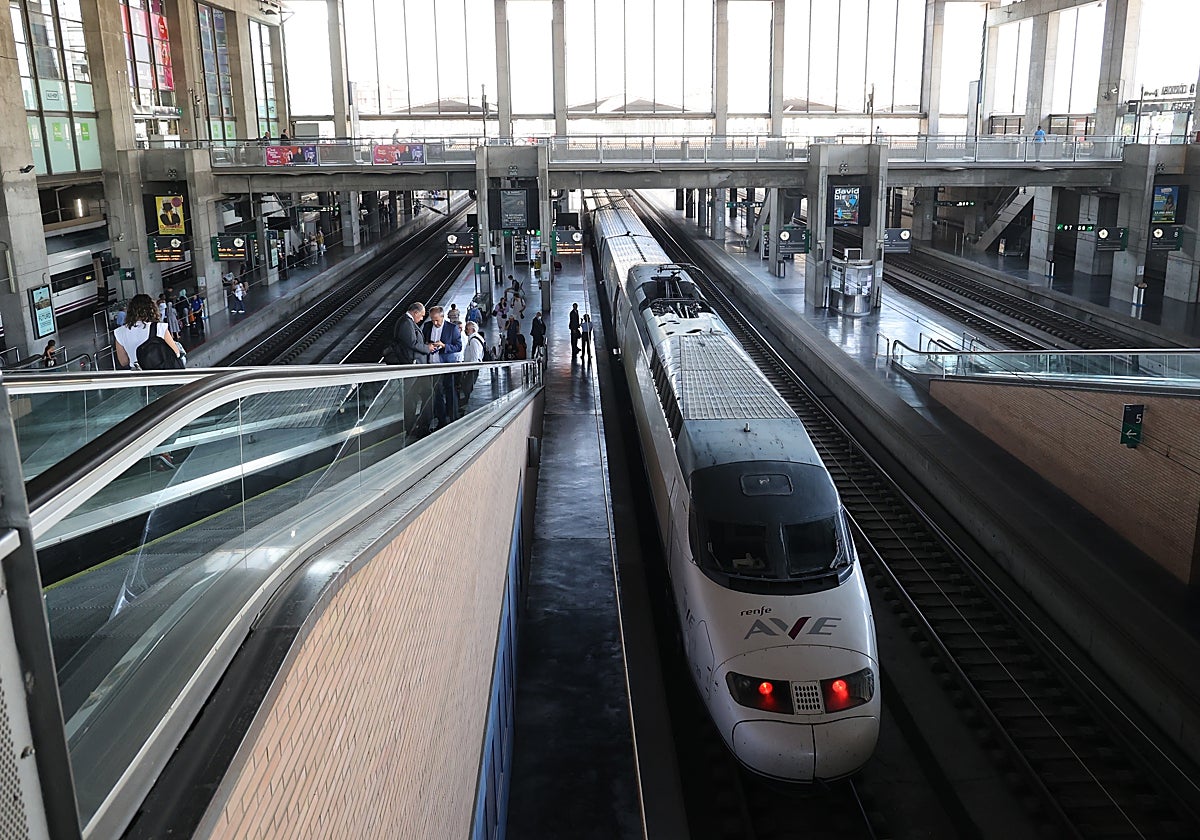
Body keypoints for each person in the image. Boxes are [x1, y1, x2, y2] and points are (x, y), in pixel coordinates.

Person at [389, 302, 436, 435]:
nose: (421, 319)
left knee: (425, 393)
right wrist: (427, 348)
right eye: (421, 316)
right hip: (412, 365)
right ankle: (412, 428)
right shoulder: (406, 322)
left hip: (416, 366)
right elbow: (412, 343)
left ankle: (421, 425)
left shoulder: (408, 322)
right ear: (415, 312)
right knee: (412, 397)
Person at [113, 293, 182, 371]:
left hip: (137, 372)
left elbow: (123, 362)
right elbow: (176, 353)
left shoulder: (119, 332)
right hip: (159, 371)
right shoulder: (159, 327)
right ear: (152, 309)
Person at [422, 305, 462, 428]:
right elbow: (423, 342)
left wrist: (444, 346)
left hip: (446, 366)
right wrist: (428, 345)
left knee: (450, 392)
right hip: (432, 366)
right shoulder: (427, 326)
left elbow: (458, 346)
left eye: (437, 320)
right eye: (432, 320)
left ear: (443, 317)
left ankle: (453, 417)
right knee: (437, 394)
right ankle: (442, 420)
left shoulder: (452, 328)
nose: (435, 323)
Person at [460, 320, 485, 404]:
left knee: (467, 386)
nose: (465, 330)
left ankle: (467, 402)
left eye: (467, 329)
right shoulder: (474, 338)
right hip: (471, 367)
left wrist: (469, 369)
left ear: (473, 330)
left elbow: (475, 356)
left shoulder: (474, 340)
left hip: (472, 368)